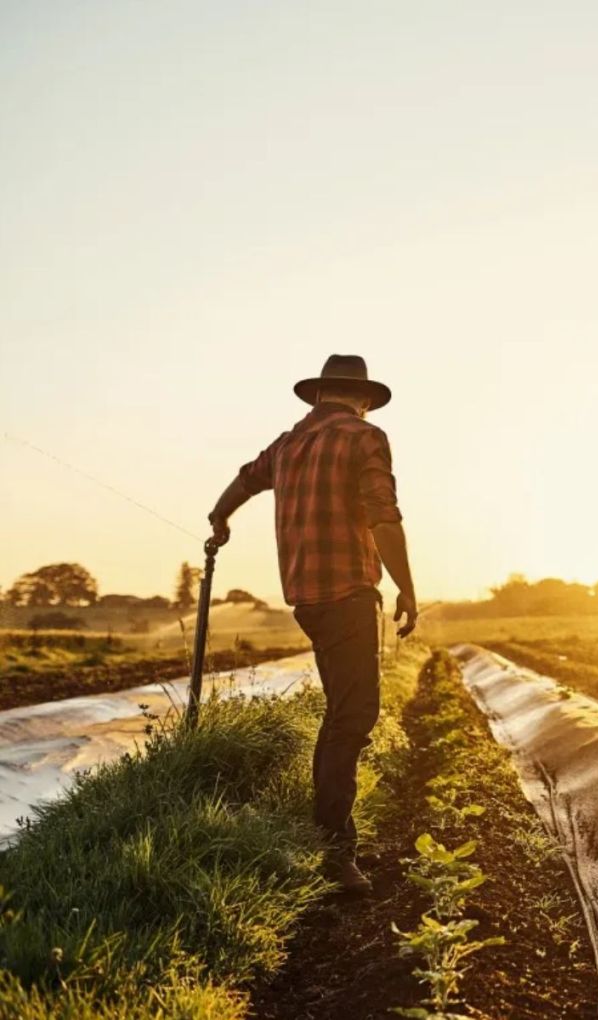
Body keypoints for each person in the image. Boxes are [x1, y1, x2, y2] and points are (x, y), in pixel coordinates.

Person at [207, 354, 417, 894]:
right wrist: (408, 588)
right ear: (363, 398)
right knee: (352, 717)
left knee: (342, 713)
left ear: (319, 395)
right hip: (347, 594)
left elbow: (241, 482)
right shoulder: (363, 436)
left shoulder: (286, 445)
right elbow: (382, 513)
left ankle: (328, 836)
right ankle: (334, 849)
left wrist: (219, 519)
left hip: (305, 599)